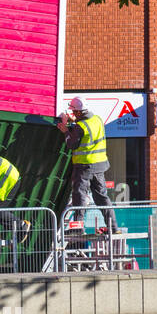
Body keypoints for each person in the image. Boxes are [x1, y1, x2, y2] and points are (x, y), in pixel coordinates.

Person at [58, 96, 117, 232]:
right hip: (100, 164)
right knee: (101, 196)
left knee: (79, 195)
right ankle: (113, 227)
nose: (72, 114)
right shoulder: (97, 119)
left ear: (78, 112)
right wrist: (74, 122)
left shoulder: (81, 126)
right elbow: (87, 131)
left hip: (85, 166)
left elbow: (72, 144)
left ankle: (78, 228)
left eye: (73, 112)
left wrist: (65, 131)